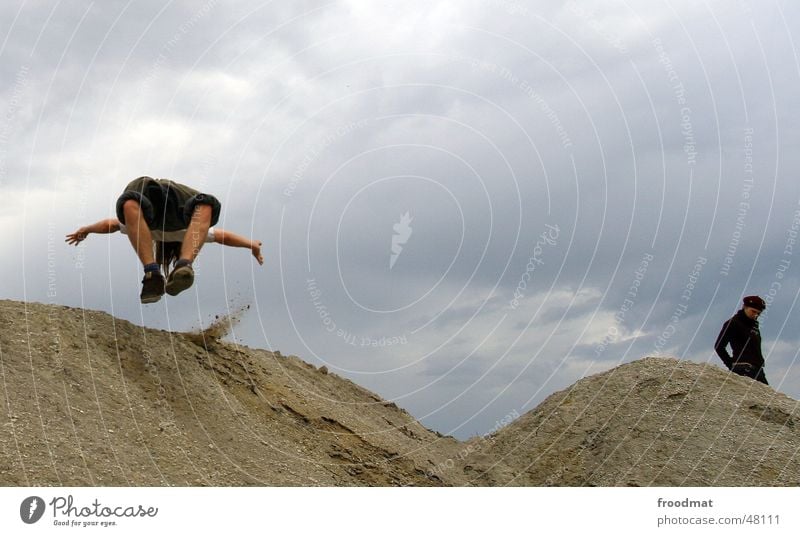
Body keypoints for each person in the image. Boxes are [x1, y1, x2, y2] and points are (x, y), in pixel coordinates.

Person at [65, 177, 264, 304]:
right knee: (206, 203)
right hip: (178, 206)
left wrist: (87, 229)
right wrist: (251, 244)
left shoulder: (143, 229)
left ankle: (152, 273)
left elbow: (111, 224)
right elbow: (224, 237)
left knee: (130, 201)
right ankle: (184, 264)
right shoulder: (187, 233)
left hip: (150, 207)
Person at [714, 295, 768, 385]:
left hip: (757, 369)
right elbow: (719, 346)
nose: (755, 315)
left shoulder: (753, 326)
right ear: (744, 307)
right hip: (743, 368)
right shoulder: (733, 323)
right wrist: (731, 365)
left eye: (758, 313)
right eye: (753, 311)